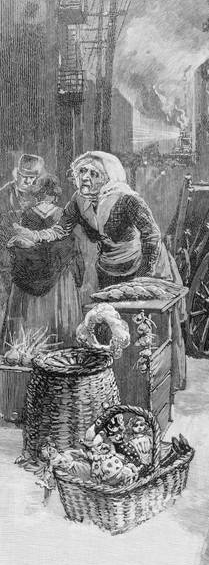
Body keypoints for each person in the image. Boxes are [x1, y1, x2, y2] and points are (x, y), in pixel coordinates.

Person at [11, 151, 173, 289]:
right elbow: (61, 229)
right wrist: (33, 236)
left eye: (93, 174)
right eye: (82, 171)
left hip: (140, 267)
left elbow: (151, 235)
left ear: (107, 178)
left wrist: (144, 276)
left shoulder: (127, 199)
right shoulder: (79, 199)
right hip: (108, 269)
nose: (85, 178)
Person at [0, 174, 84, 423]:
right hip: (58, 279)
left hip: (30, 278)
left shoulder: (27, 214)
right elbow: (71, 246)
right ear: (55, 194)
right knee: (57, 323)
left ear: (38, 194)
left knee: (28, 328)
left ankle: (24, 375)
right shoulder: (61, 214)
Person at [0, 154, 44, 308]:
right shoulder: (4, 195)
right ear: (17, 174)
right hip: (6, 260)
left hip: (29, 262)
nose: (28, 181)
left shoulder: (39, 196)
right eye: (24, 176)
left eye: (32, 177)